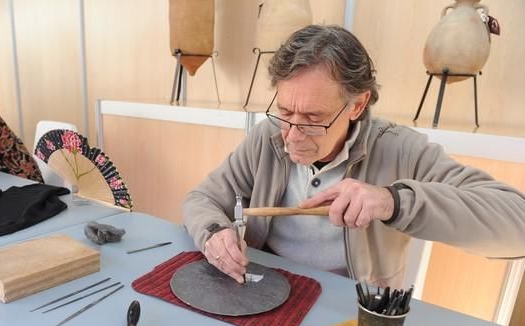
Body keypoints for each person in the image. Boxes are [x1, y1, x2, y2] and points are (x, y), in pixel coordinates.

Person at [183, 25, 525, 287]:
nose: (292, 134)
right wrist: (214, 232)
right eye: (286, 111)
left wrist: (393, 201)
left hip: (349, 312)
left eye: (314, 118)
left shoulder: (401, 150)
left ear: (357, 105)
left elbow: (518, 225)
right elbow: (202, 199)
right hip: (264, 290)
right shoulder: (267, 138)